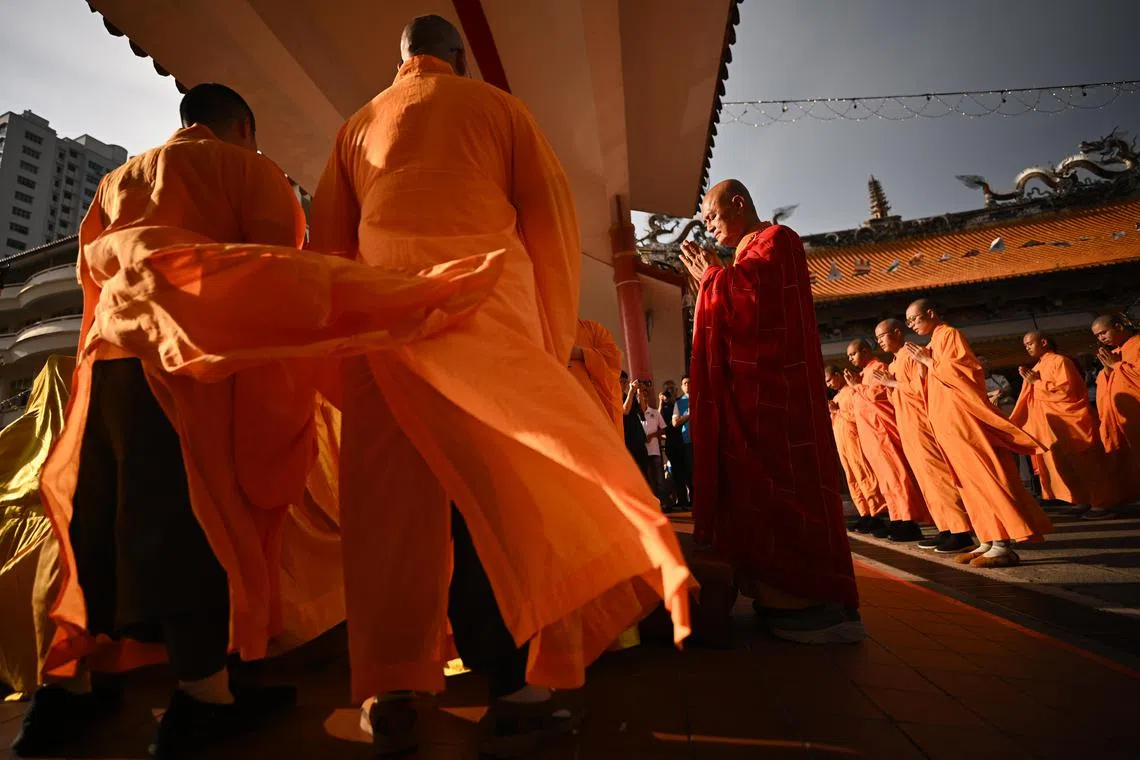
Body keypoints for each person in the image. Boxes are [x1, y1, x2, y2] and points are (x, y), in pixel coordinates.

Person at [307, 16, 690, 757]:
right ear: (458, 58)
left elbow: (330, 246)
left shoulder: (354, 129)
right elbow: (549, 227)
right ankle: (519, 690)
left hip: (385, 328)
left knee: (391, 513)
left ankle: (393, 687)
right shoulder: (500, 110)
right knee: (499, 500)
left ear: (401, 60)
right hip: (485, 317)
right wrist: (545, 346)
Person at [14, 84, 336, 759]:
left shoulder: (117, 180)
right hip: (191, 361)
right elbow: (275, 280)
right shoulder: (252, 172)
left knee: (95, 522)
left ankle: (66, 692)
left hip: (109, 358)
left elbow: (91, 279)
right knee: (195, 519)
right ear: (242, 127)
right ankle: (205, 699)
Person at [679, 178, 862, 644]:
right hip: (753, 400)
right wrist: (714, 276)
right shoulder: (743, 254)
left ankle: (815, 604)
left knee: (786, 490)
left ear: (739, 204)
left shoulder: (777, 240)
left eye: (714, 216)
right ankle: (776, 598)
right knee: (752, 495)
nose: (710, 227)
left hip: (777, 406)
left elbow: (757, 308)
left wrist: (711, 278)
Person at [904, 299, 1052, 568]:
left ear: (931, 313)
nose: (912, 325)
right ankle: (987, 537)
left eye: (914, 319)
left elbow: (967, 373)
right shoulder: (932, 344)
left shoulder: (950, 335)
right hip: (947, 424)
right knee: (967, 482)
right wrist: (924, 365)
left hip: (964, 422)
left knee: (985, 476)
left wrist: (928, 361)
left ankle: (1002, 544)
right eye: (908, 322)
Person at [873, 320, 974, 553]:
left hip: (922, 422)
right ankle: (945, 528)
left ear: (897, 333)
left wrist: (892, 383)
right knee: (926, 479)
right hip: (907, 425)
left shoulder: (912, 355)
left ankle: (961, 531)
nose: (879, 341)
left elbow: (921, 389)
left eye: (882, 336)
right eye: (877, 338)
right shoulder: (895, 361)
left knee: (938, 476)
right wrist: (890, 385)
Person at [1012, 332, 1118, 520]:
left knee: (1086, 464)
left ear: (1043, 342)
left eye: (1029, 343)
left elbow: (1067, 392)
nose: (1027, 347)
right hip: (1053, 425)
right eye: (1025, 344)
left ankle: (1101, 504)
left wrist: (1036, 382)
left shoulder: (1060, 361)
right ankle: (1081, 500)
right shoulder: (1038, 366)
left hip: (1072, 421)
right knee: (1067, 465)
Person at [843, 340, 930, 542]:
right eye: (848, 356)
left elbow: (879, 395)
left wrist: (857, 386)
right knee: (886, 481)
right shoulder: (864, 374)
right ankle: (897, 518)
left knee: (896, 476)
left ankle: (908, 521)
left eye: (853, 354)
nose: (850, 359)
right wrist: (856, 385)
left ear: (865, 351)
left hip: (882, 431)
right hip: (871, 435)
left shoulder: (879, 368)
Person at [824, 366, 889, 535]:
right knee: (852, 479)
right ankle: (864, 513)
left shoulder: (851, 392)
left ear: (838, 375)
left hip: (855, 440)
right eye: (826, 382)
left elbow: (857, 415)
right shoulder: (837, 397)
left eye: (830, 380)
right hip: (843, 443)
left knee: (864, 475)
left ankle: (876, 513)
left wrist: (837, 411)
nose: (829, 385)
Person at [1091, 313, 1140, 505]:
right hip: (1121, 418)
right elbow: (1107, 384)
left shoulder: (1137, 344)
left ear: (1119, 326)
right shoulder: (1117, 351)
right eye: (1097, 336)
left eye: (1104, 332)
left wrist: (1117, 366)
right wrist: (1109, 370)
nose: (1101, 338)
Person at [569, 319, 623, 428]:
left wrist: (581, 353)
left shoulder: (593, 330)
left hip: (594, 412)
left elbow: (613, 359)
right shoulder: (540, 328)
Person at [639, 383, 669, 510]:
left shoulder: (655, 413)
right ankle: (653, 505)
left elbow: (663, 429)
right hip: (643, 452)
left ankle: (664, 504)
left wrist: (652, 435)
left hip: (655, 451)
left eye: (646, 396)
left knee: (659, 480)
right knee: (648, 480)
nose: (644, 399)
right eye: (641, 396)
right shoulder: (635, 415)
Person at [621, 371, 651, 478]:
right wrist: (630, 392)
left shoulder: (630, 395)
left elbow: (643, 409)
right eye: (622, 382)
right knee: (633, 475)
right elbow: (625, 410)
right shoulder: (614, 395)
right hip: (627, 441)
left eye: (625, 382)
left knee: (644, 473)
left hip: (638, 439)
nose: (624, 385)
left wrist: (639, 392)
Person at [670, 377, 694, 509]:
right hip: (687, 442)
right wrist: (689, 415)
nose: (687, 385)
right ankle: (692, 500)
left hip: (702, 442)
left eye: (690, 383)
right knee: (690, 471)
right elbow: (675, 423)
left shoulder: (700, 398)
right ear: (682, 386)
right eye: (685, 383)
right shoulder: (679, 403)